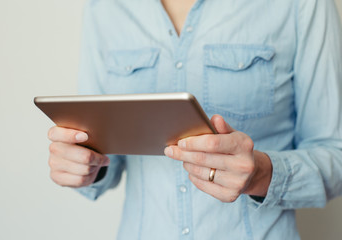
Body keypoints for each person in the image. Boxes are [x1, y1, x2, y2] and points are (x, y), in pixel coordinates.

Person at [46, 0, 342, 239]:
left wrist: (262, 174)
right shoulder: (104, 8)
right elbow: (102, 150)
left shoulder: (301, 4)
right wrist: (85, 165)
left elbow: (336, 153)